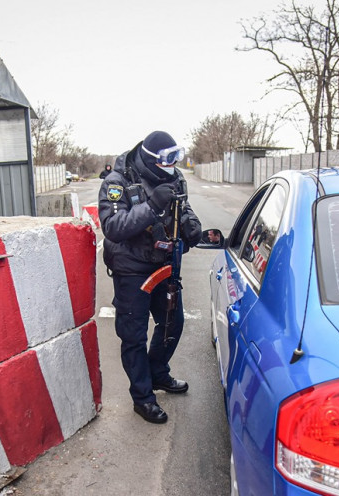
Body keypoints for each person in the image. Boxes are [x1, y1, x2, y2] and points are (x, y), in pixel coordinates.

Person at [98, 130, 202, 424]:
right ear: (151, 158)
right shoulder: (117, 182)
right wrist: (152, 206)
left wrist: (191, 225)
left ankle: (157, 372)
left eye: (176, 158)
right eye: (167, 160)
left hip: (165, 265)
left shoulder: (175, 177)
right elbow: (114, 226)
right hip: (131, 270)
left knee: (173, 323)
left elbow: (185, 208)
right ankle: (142, 397)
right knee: (133, 336)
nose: (173, 165)